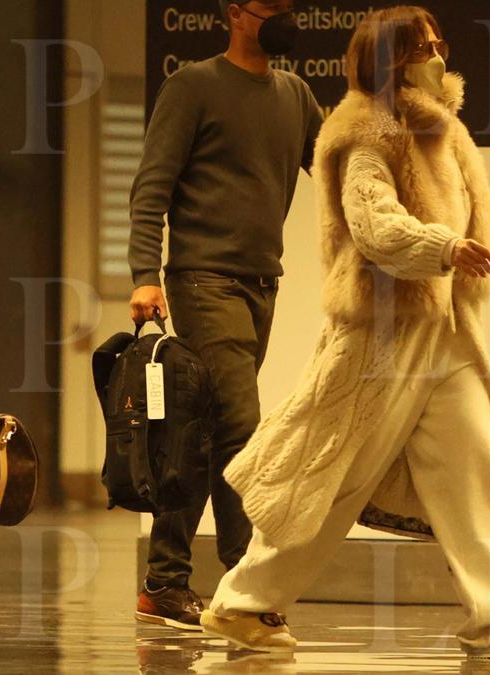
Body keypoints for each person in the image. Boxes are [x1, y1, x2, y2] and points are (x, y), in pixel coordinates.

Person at [197, 6, 490, 660]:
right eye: (421, 46)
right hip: (382, 336)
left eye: (437, 43)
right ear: (388, 59)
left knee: (476, 468)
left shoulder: (444, 132)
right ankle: (240, 603)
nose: (436, 54)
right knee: (332, 472)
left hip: (446, 334)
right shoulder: (367, 133)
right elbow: (373, 226)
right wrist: (443, 247)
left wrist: (451, 259)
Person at [127, 0, 322, 631]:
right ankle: (247, 586)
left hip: (263, 285)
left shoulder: (295, 95)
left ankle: (164, 580)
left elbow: (340, 168)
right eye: (272, 7)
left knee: (205, 435)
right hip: (203, 280)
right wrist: (142, 275)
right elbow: (152, 184)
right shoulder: (193, 87)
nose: (285, 16)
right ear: (236, 12)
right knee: (243, 425)